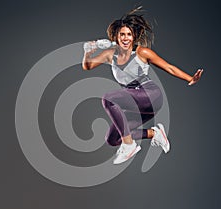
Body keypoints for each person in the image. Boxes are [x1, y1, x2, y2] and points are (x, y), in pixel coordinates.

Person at [82, 6, 203, 165]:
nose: (125, 38)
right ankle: (154, 133)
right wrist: (87, 53)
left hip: (150, 96)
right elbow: (87, 66)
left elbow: (168, 67)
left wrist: (190, 78)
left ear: (134, 37)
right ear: (116, 37)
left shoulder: (141, 53)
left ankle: (129, 144)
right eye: (122, 35)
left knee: (108, 99)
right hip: (136, 104)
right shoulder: (110, 54)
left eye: (129, 35)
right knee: (112, 139)